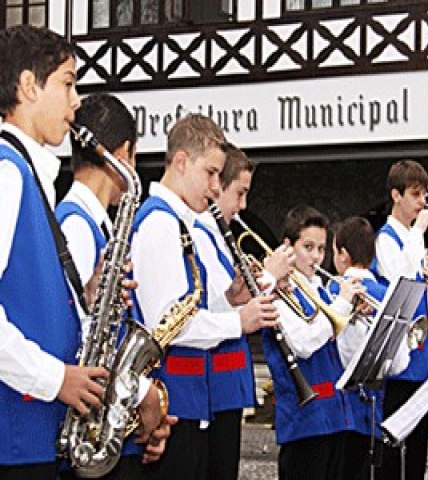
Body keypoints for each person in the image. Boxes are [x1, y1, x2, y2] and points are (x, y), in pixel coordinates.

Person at [130, 113, 279, 480]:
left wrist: (232, 299)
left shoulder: (179, 221)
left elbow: (190, 307)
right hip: (176, 398)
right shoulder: (160, 223)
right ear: (181, 162)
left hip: (191, 396)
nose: (216, 186)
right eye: (210, 173)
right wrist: (238, 320)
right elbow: (167, 325)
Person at [0, 25, 109, 479]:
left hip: (33, 433)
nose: (76, 99)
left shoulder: (27, 172)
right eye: (68, 82)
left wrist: (85, 295)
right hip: (15, 434)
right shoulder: (7, 172)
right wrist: (56, 378)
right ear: (29, 86)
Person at [55, 92, 173, 478]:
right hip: (87, 420)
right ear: (123, 154)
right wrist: (141, 395)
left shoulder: (100, 223)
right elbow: (81, 340)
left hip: (105, 414)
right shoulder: (75, 224)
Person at [191, 145, 294, 480]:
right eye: (240, 193)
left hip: (228, 380)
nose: (243, 206)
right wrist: (268, 277)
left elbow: (230, 299)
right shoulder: (201, 234)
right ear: (217, 184)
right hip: (212, 383)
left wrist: (257, 286)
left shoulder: (219, 237)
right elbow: (214, 309)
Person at [264, 205, 363, 480]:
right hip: (304, 420)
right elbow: (302, 344)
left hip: (334, 414)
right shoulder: (279, 292)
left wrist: (352, 316)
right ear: (287, 247)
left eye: (321, 248)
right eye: (308, 247)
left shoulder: (320, 288)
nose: (316, 257)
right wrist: (342, 305)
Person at [329, 216, 411, 479]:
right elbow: (399, 364)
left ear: (342, 254)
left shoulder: (334, 288)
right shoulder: (387, 294)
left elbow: (342, 356)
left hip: (342, 413)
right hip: (373, 414)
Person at [370, 159, 428, 480]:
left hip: (419, 352)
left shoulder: (411, 238)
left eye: (423, 195)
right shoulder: (387, 238)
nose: (421, 202)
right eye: (414, 194)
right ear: (396, 195)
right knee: (394, 447)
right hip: (397, 356)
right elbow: (399, 278)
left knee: (418, 447)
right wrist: (420, 230)